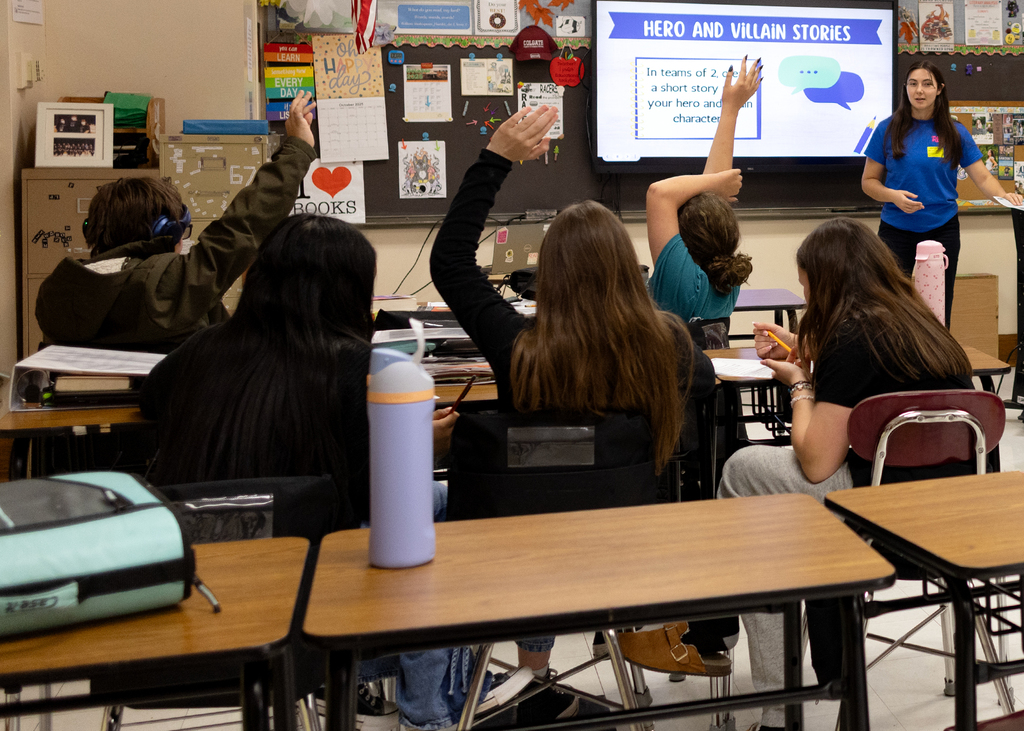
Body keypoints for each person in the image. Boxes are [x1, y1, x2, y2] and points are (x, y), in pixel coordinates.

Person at [139, 213, 500, 731]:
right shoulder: (357, 368)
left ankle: (428, 693)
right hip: (310, 601)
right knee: (442, 508)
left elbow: (151, 398)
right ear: (352, 290)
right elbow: (377, 497)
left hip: (195, 589)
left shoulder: (200, 351)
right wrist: (420, 440)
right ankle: (430, 711)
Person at [429, 105, 717, 722]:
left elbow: (450, 262)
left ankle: (523, 674)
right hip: (622, 559)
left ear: (547, 276)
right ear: (627, 270)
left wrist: (495, 159)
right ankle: (539, 673)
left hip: (508, 563)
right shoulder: (666, 343)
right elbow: (707, 380)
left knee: (536, 493)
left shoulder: (519, 348)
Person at [717, 217, 975, 731]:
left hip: (882, 514)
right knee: (781, 505)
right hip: (955, 517)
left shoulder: (849, 340)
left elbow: (815, 463)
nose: (804, 292)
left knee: (744, 472)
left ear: (826, 280)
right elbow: (865, 378)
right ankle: (798, 647)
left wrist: (798, 384)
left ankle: (773, 696)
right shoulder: (924, 327)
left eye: (806, 282)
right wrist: (807, 352)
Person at [36, 92, 318, 353]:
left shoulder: (58, 291)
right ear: (165, 232)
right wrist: (297, 148)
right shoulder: (166, 285)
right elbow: (244, 224)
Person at [862, 60, 1023, 326]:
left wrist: (1005, 196)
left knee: (938, 307)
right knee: (888, 305)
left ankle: (936, 365)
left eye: (927, 84)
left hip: (942, 229)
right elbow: (868, 182)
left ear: (939, 89)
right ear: (906, 89)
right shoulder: (887, 129)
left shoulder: (955, 132)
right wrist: (894, 197)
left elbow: (982, 176)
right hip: (895, 229)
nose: (919, 90)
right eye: (913, 84)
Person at [646, 58, 758, 323]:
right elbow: (711, 200)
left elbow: (659, 194)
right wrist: (730, 109)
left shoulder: (682, 282)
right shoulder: (725, 281)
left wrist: (714, 184)